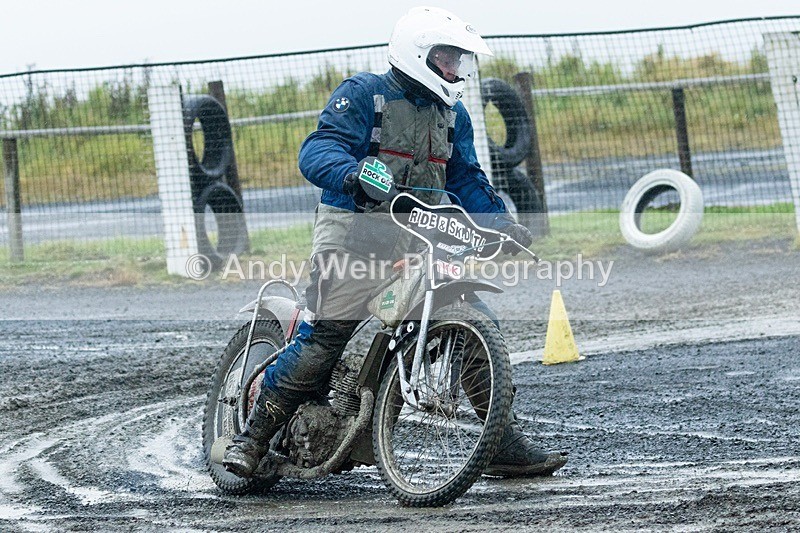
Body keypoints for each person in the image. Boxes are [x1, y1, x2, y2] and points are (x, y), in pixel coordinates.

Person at [224, 6, 567, 479]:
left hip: (419, 233)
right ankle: (253, 436)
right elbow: (317, 150)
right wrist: (352, 174)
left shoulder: (454, 115)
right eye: (447, 58)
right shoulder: (365, 94)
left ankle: (500, 443)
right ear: (418, 54)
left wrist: (501, 224)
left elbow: (465, 178)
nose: (454, 69)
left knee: (470, 316)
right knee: (327, 335)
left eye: (458, 60)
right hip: (354, 233)